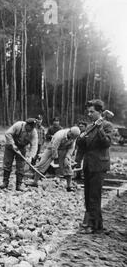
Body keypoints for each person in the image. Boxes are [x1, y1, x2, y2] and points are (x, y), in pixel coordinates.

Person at [75, 100, 113, 234]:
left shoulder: (107, 125)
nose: (89, 114)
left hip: (99, 165)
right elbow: (81, 144)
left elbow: (106, 143)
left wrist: (99, 128)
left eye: (92, 111)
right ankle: (96, 225)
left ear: (100, 112)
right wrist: (81, 136)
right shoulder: (90, 126)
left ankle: (91, 225)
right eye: (88, 111)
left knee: (94, 196)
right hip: (88, 165)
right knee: (88, 195)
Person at [27, 127, 81, 191]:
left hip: (63, 149)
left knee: (67, 165)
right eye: (72, 136)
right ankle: (35, 182)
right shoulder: (60, 135)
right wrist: (55, 156)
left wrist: (67, 157)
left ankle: (69, 186)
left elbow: (71, 148)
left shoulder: (73, 137)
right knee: (42, 163)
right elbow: (54, 147)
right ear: (69, 132)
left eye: (74, 137)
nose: (72, 138)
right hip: (52, 148)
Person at [0, 118, 38, 191]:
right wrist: (13, 144)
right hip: (10, 146)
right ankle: (5, 182)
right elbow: (7, 133)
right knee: (7, 163)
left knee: (20, 166)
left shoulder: (34, 132)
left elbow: (34, 145)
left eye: (33, 128)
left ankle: (18, 185)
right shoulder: (18, 125)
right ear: (27, 125)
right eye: (30, 127)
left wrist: (30, 157)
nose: (31, 130)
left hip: (22, 147)